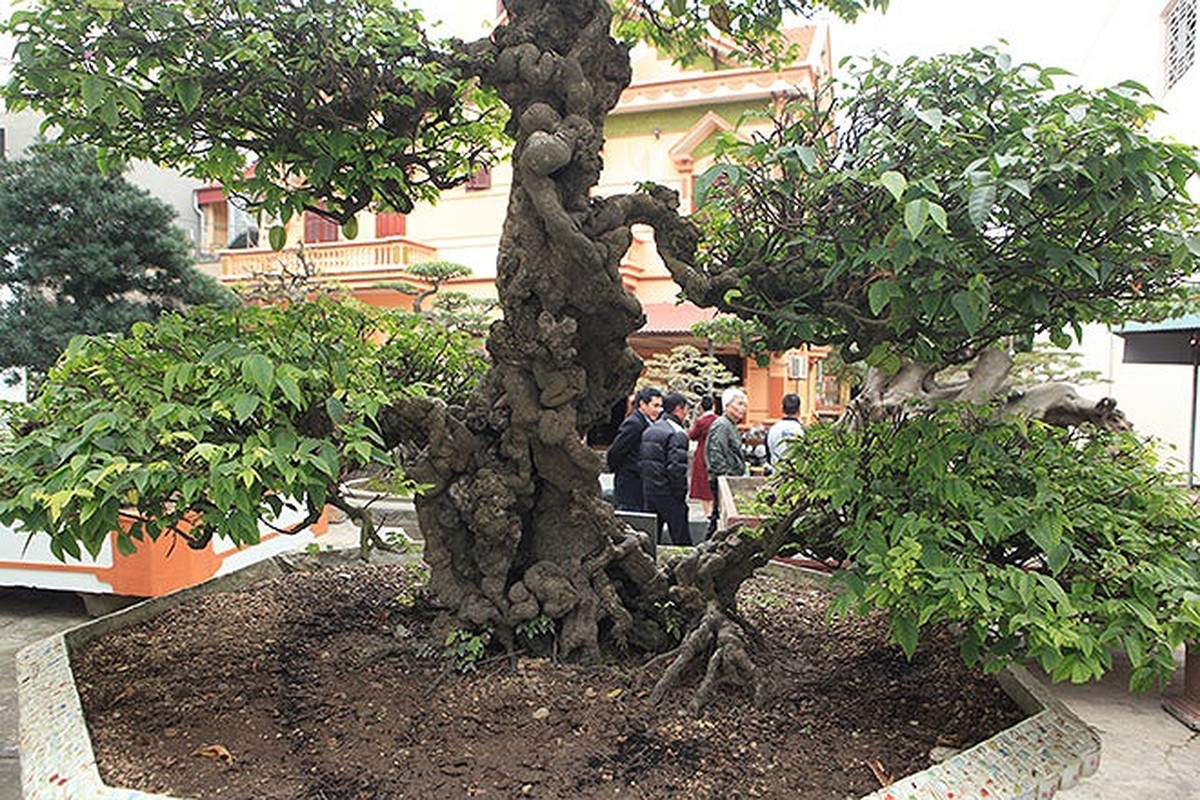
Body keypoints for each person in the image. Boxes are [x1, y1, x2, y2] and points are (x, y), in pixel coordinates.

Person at [639, 392, 692, 546]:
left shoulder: (650, 429)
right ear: (679, 409)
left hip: (650, 490)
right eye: (686, 409)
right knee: (681, 540)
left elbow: (642, 461)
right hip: (669, 493)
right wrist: (680, 493)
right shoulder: (678, 433)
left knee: (650, 540)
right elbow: (677, 467)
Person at [606, 386, 663, 511]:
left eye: (660, 406)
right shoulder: (634, 424)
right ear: (643, 404)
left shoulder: (648, 423)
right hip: (630, 483)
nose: (659, 410)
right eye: (655, 405)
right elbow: (616, 451)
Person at [705, 387, 748, 535]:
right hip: (722, 479)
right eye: (740, 404)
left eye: (745, 405)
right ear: (727, 405)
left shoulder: (730, 425)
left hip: (728, 477)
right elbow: (716, 452)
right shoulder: (722, 425)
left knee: (718, 519)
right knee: (719, 519)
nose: (743, 408)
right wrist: (724, 476)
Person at [688, 394, 718, 517]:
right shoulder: (718, 420)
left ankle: (707, 512)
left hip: (701, 452)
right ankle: (713, 509)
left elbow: (692, 435)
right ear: (714, 406)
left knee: (703, 483)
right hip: (714, 452)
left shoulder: (700, 422)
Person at [766, 393, 805, 471]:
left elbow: (769, 457)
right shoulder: (802, 430)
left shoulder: (772, 430)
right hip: (798, 477)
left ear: (782, 409)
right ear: (799, 410)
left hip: (776, 476)